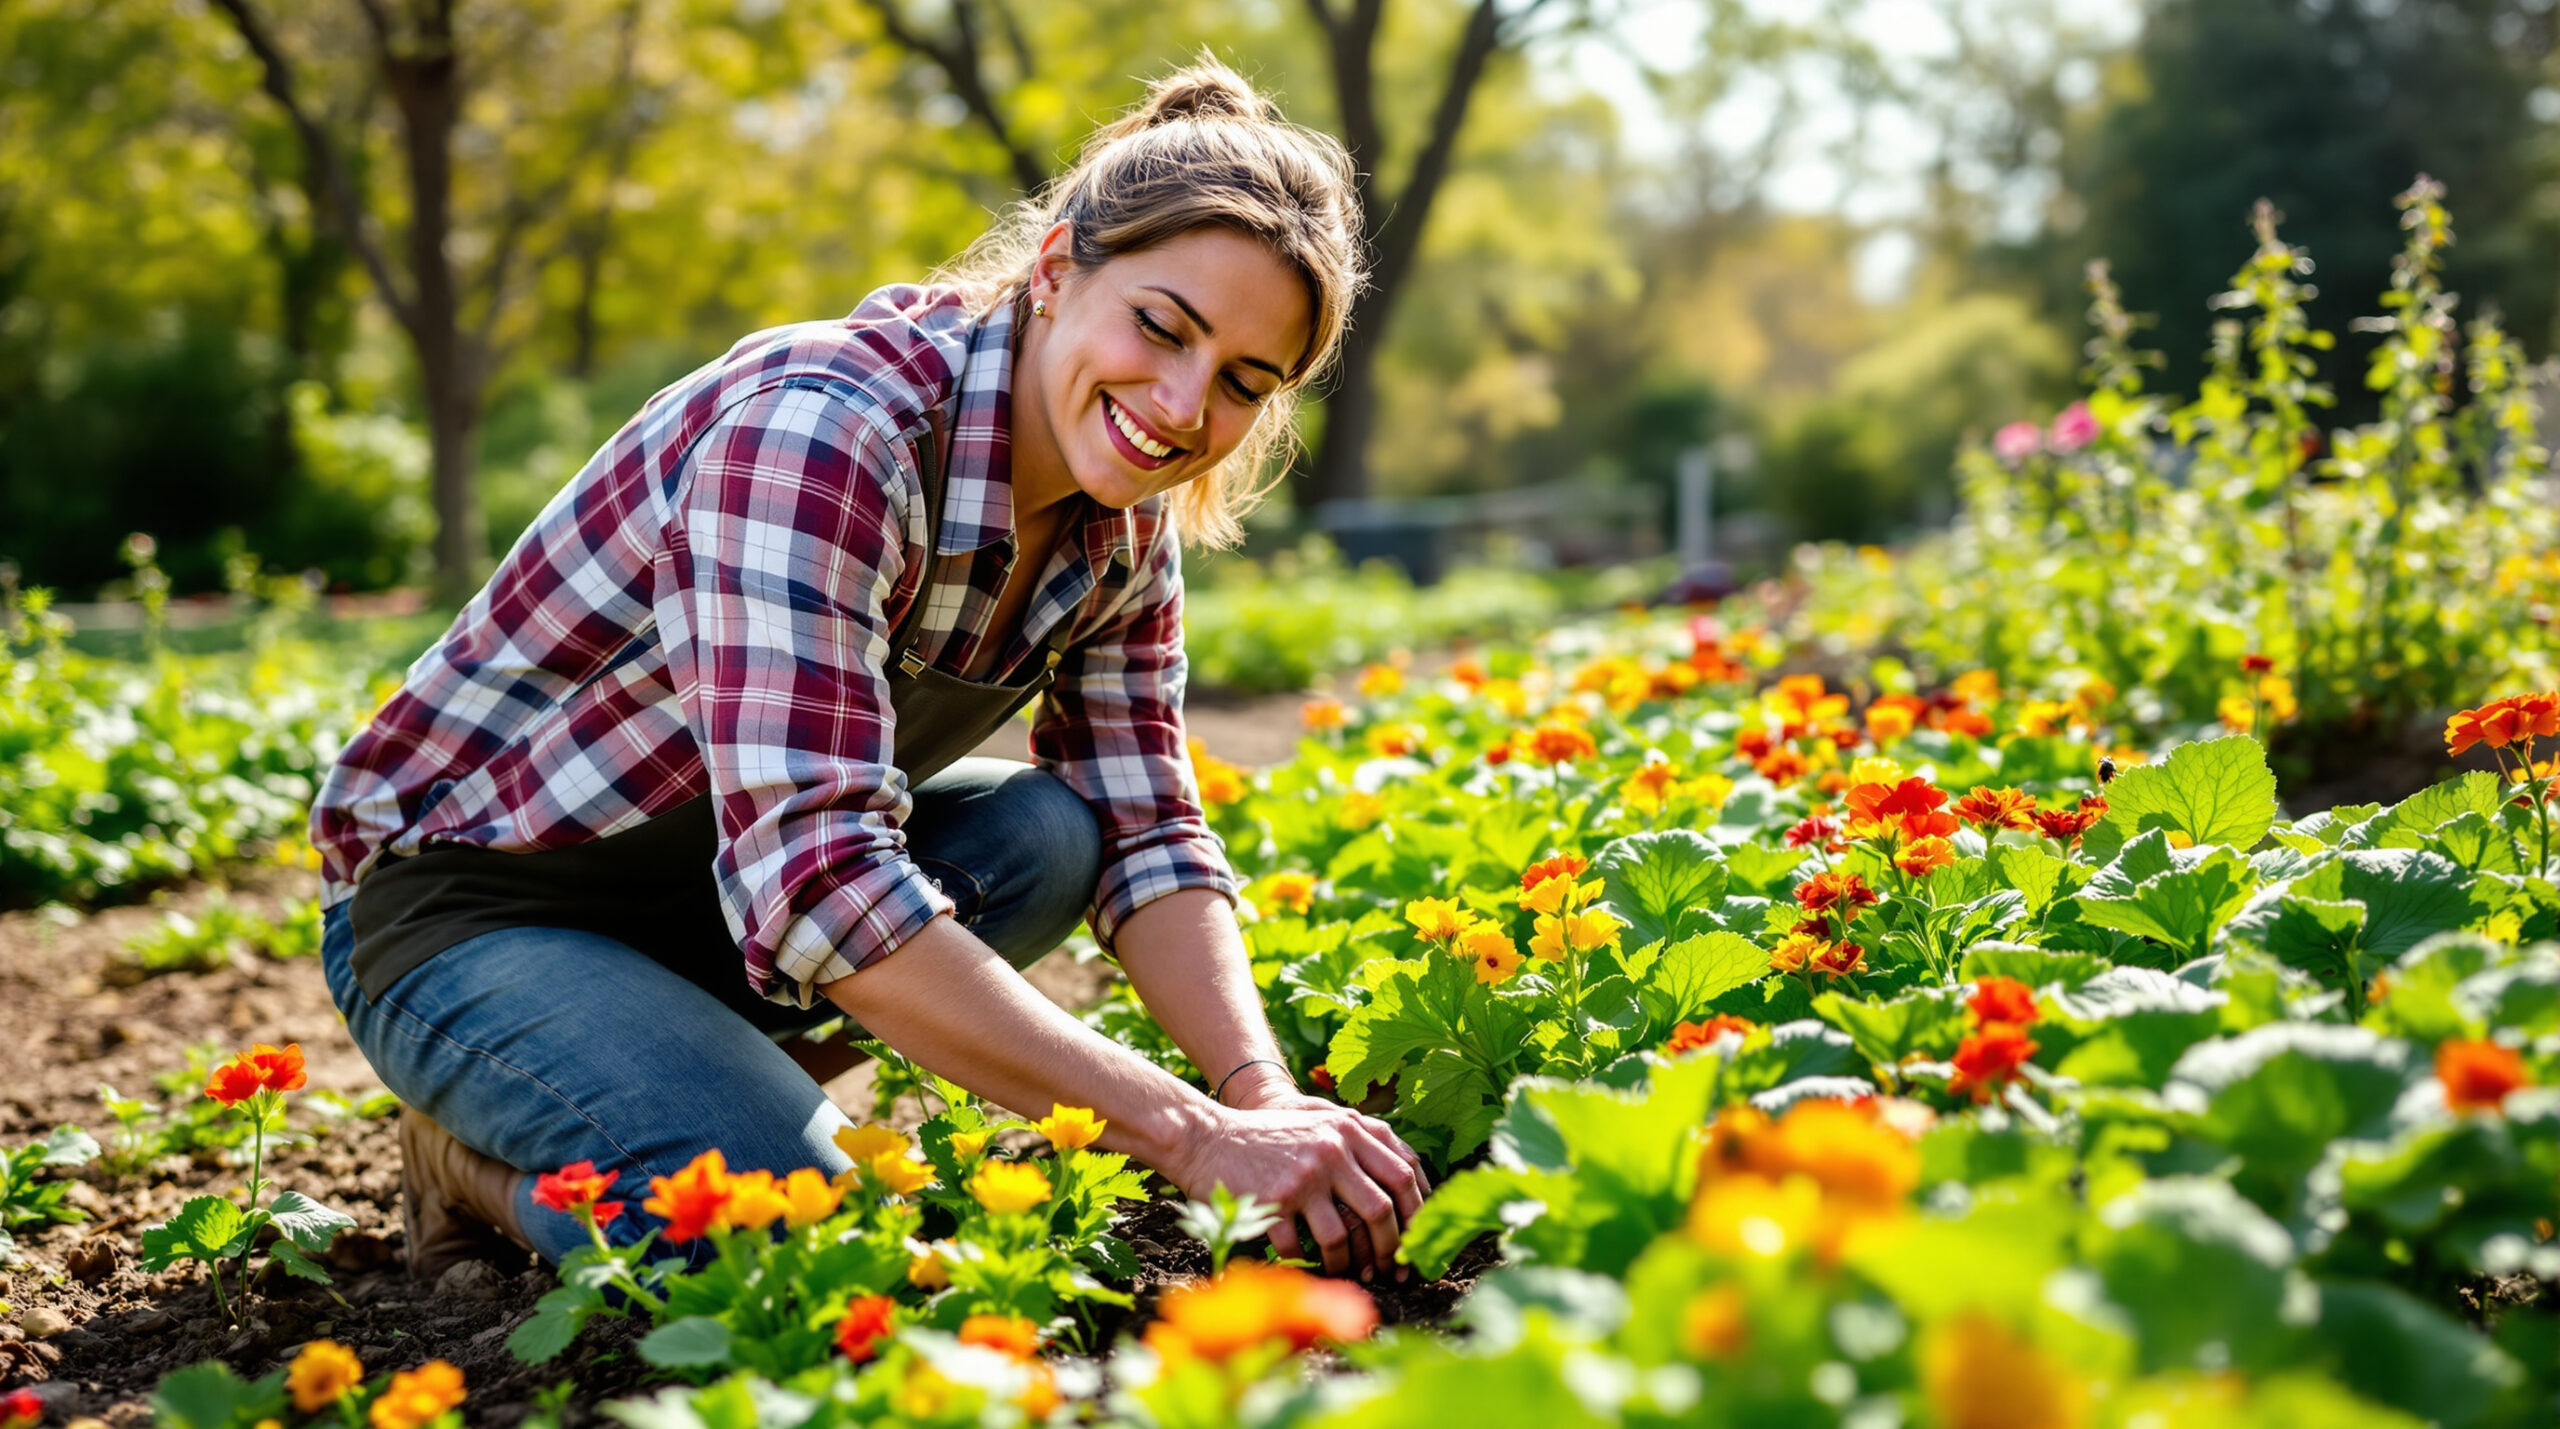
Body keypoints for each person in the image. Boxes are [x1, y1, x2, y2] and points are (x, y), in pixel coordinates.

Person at [308, 60, 1428, 1287]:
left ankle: (677, 1080)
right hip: (476, 913)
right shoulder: (826, 434)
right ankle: (481, 1165)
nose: (1179, 404)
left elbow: (1146, 824)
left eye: (1241, 384)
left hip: (719, 907)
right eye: (1163, 328)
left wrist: (1260, 1097)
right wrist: (1195, 1137)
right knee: (793, 1231)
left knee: (1052, 830)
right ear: (1055, 268)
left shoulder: (1120, 529)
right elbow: (820, 881)